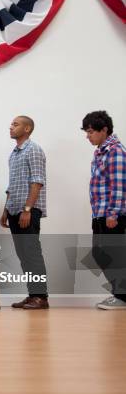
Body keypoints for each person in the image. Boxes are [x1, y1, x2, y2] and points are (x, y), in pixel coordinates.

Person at [0, 116, 49, 310]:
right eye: (11, 123)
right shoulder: (14, 154)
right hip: (14, 210)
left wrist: (27, 209)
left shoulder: (34, 150)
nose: (10, 127)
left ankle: (40, 297)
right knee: (23, 255)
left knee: (32, 254)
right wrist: (6, 210)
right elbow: (12, 186)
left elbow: (37, 182)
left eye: (15, 124)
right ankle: (32, 295)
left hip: (28, 211)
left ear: (27, 128)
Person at [81, 111, 126, 310]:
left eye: (91, 131)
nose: (87, 136)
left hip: (111, 214)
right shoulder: (100, 151)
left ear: (104, 130)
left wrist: (113, 213)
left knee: (113, 255)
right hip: (99, 212)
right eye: (86, 132)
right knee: (100, 253)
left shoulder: (115, 150)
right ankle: (120, 295)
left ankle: (122, 297)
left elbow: (119, 185)